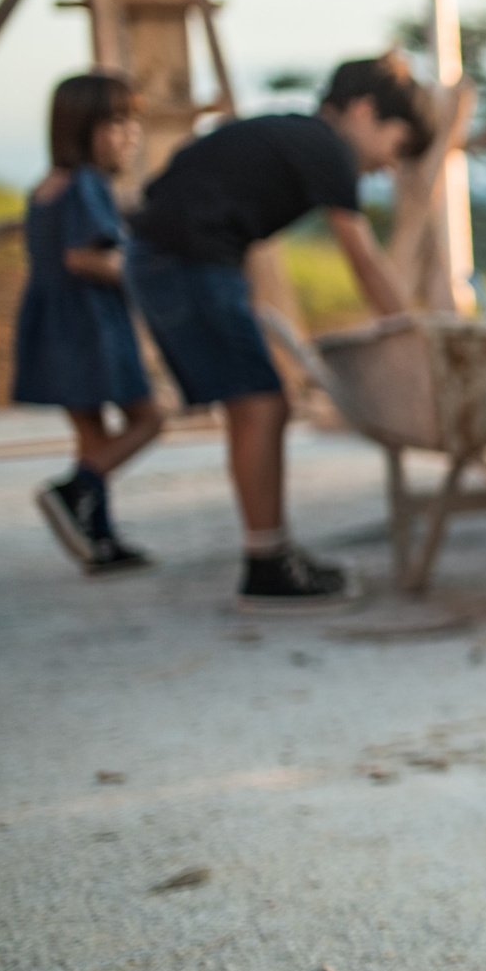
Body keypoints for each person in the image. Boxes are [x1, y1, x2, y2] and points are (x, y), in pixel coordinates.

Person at [125, 55, 425, 611]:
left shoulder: (296, 134)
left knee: (260, 404)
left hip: (175, 256)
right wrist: (415, 338)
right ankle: (267, 566)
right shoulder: (329, 148)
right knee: (262, 405)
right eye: (395, 143)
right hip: (184, 260)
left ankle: (271, 554)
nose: (387, 165)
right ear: (363, 112)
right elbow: (362, 259)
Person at [12, 72, 164, 573]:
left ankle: (98, 539)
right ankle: (73, 490)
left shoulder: (45, 188)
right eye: (117, 123)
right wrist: (144, 273)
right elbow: (83, 256)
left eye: (133, 123)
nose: (130, 135)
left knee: (92, 439)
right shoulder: (85, 184)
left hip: (52, 324)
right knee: (148, 419)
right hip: (91, 324)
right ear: (81, 127)